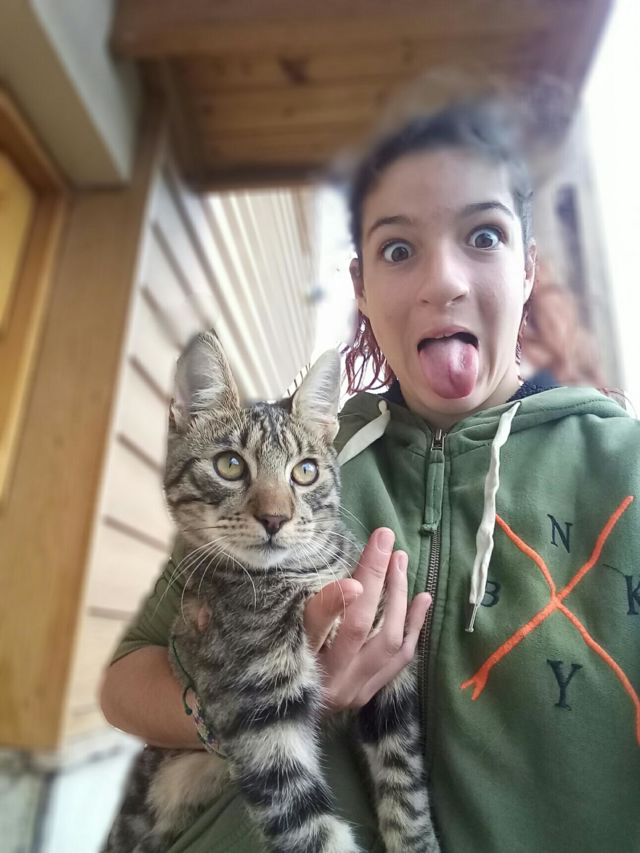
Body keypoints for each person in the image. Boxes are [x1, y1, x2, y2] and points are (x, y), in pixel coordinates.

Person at [100, 97, 640, 853]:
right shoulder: (320, 455)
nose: (442, 282)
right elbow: (126, 682)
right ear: (359, 284)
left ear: (528, 268)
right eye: (398, 248)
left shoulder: (623, 466)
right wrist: (258, 707)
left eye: (483, 235)